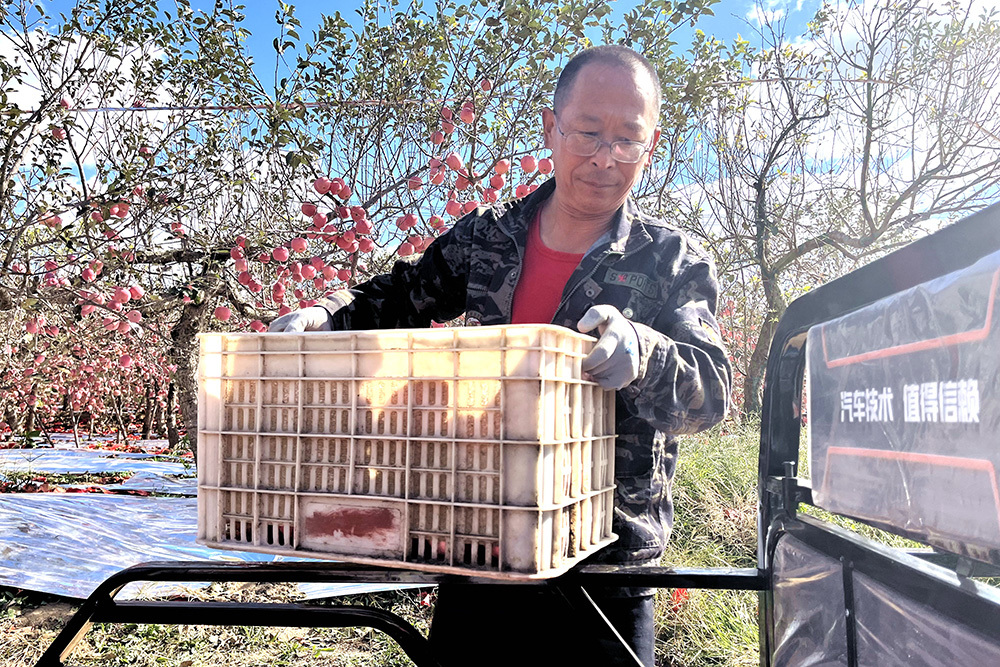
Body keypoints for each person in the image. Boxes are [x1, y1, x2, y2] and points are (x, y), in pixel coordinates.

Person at [270, 45, 731, 667]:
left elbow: (710, 394)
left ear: (649, 147)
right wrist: (328, 314)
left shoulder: (671, 260)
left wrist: (643, 355)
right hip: (482, 542)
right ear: (551, 128)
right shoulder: (489, 237)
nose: (605, 157)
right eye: (588, 133)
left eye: (628, 140)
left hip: (605, 567)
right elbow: (401, 294)